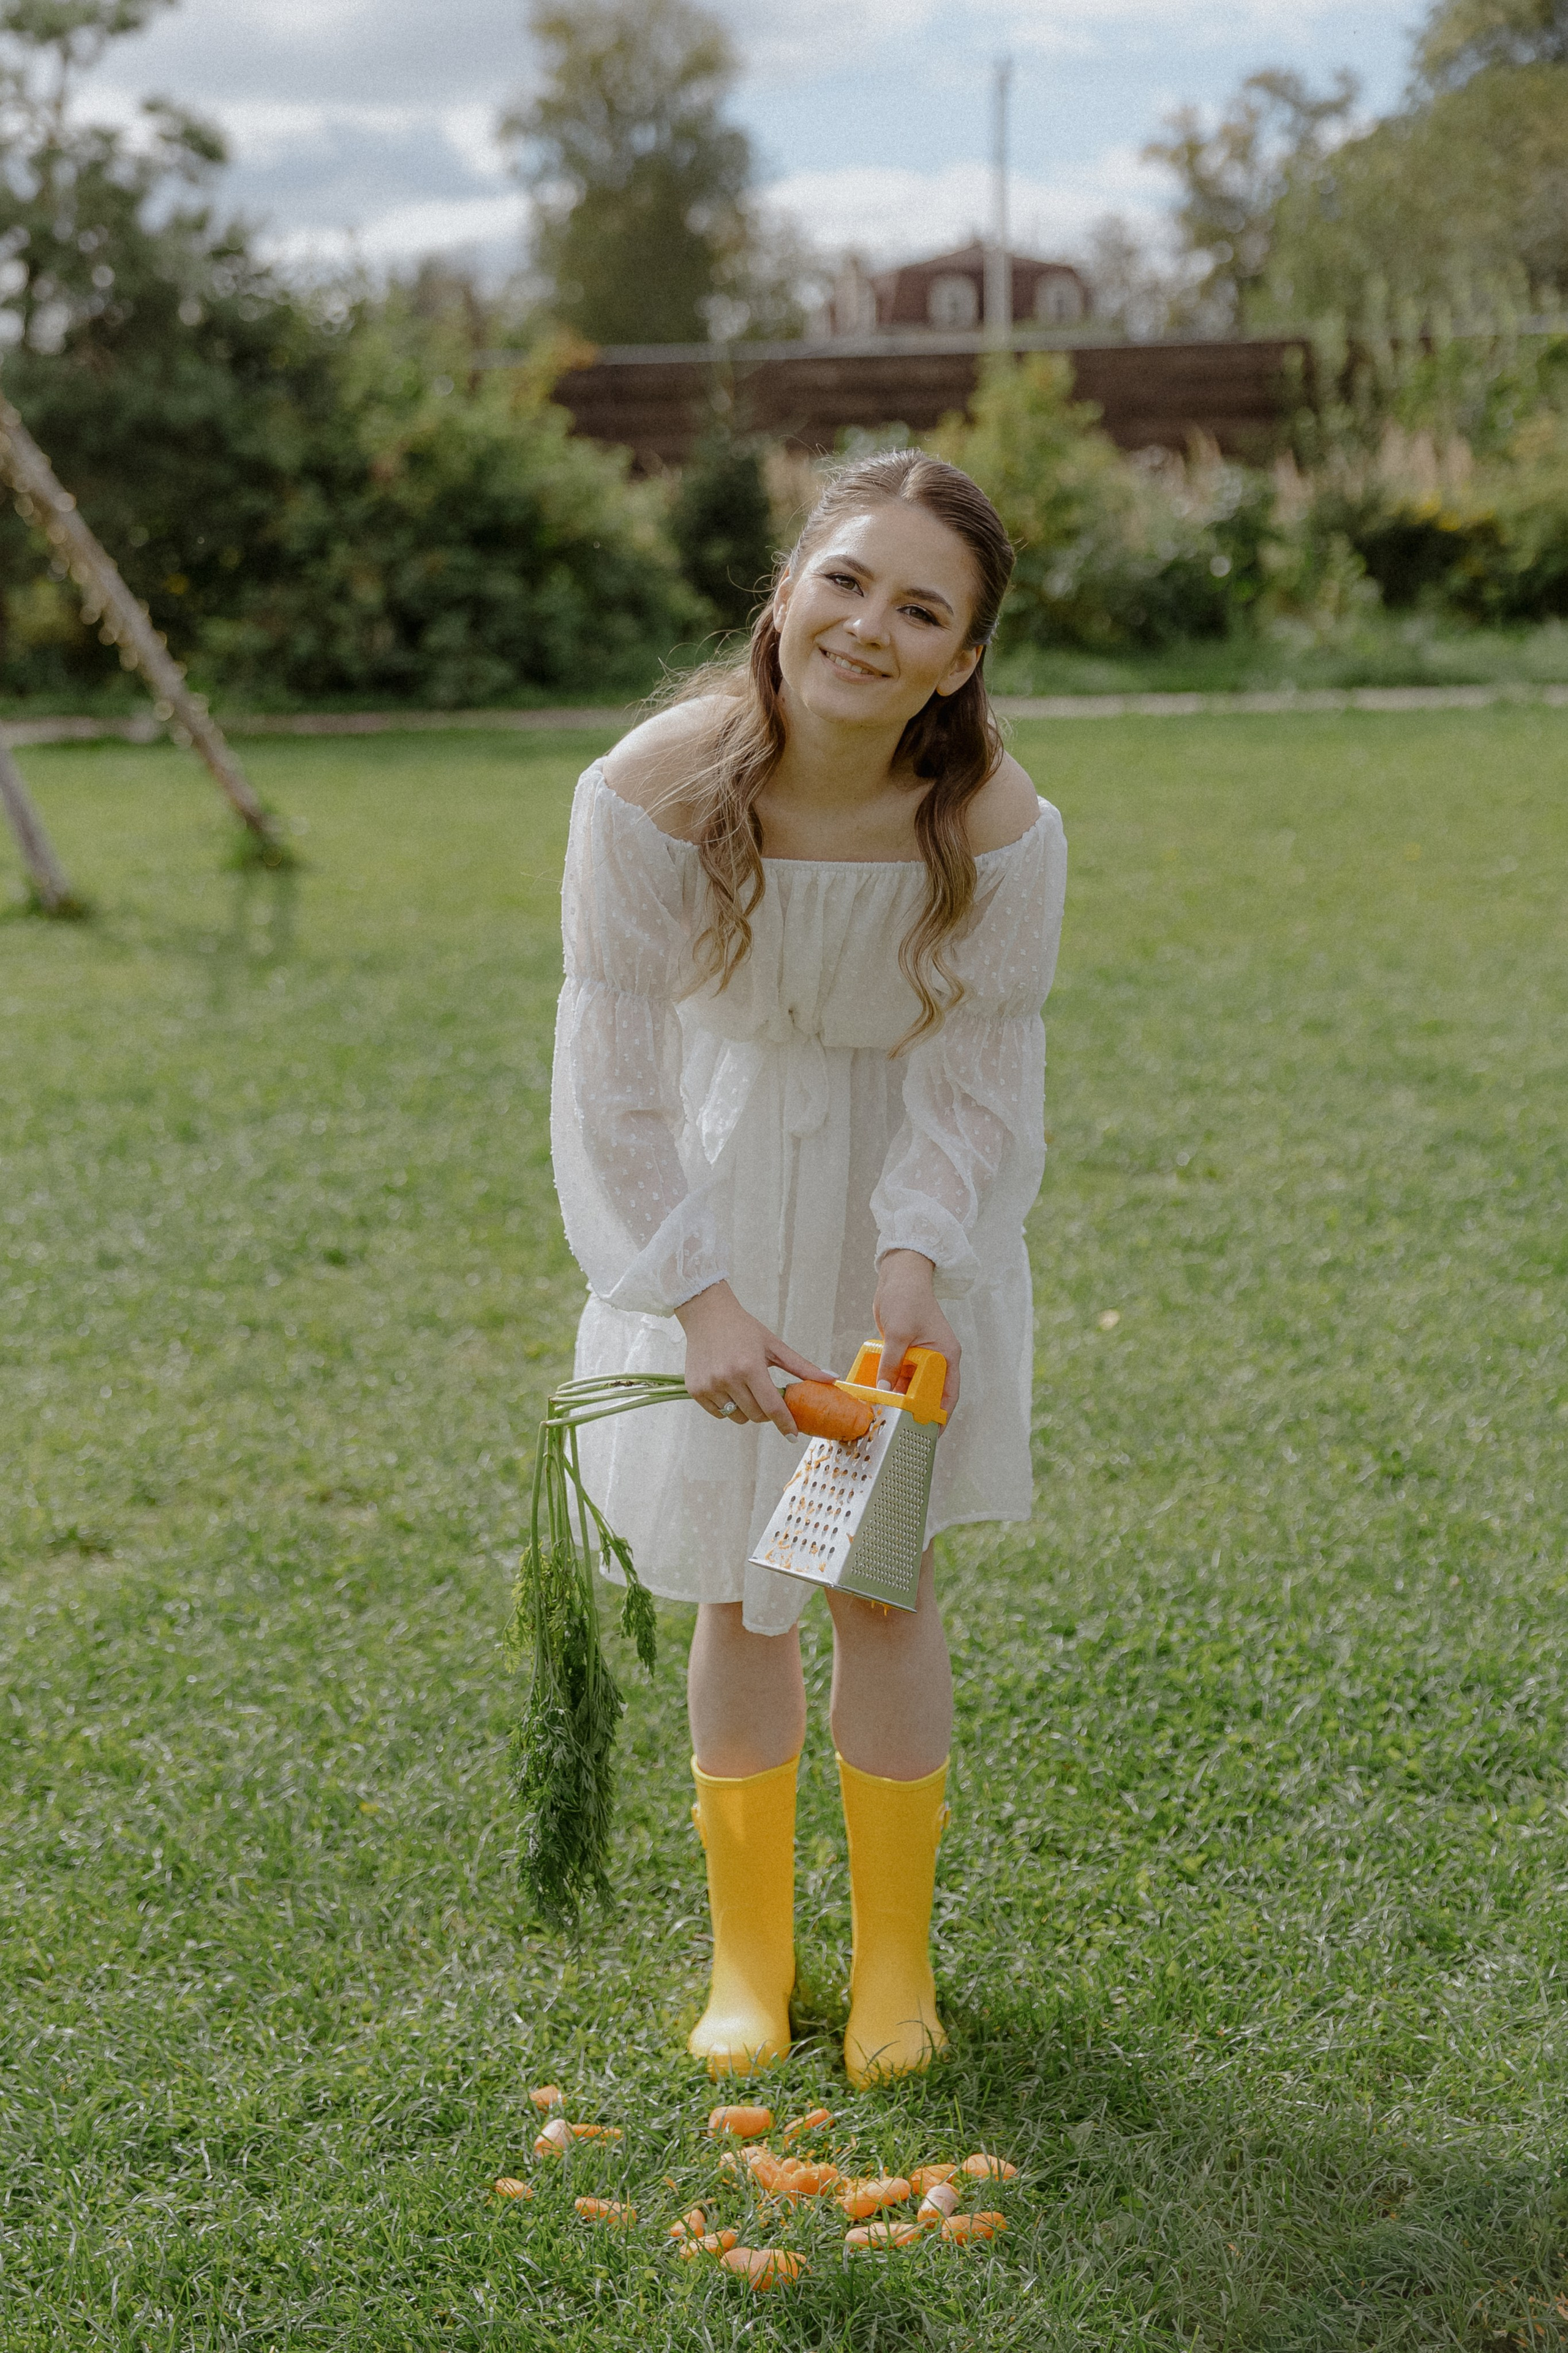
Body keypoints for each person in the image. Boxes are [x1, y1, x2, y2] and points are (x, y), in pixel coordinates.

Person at [550, 450, 1067, 2085]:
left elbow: (980, 1069)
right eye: (844, 579)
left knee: (882, 1579)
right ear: (786, 589)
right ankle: (752, 1961)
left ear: (961, 658)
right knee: (738, 1583)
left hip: (894, 1209)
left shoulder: (990, 819)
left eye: (923, 608)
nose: (868, 625)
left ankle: (899, 1964)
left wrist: (920, 1259)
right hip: (712, 1185)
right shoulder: (645, 789)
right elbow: (613, 1075)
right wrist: (692, 1291)